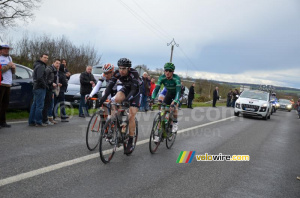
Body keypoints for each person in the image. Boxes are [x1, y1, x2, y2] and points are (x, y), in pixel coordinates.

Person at [98, 58, 142, 154]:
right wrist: (103, 99)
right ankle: (117, 121)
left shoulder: (134, 73)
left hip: (135, 92)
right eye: (120, 68)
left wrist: (126, 100)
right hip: (126, 88)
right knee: (115, 100)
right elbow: (109, 87)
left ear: (128, 68)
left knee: (131, 116)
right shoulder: (117, 73)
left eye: (123, 69)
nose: (121, 71)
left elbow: (133, 90)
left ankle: (130, 141)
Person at [151, 62, 181, 135]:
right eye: (166, 70)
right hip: (169, 93)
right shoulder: (162, 77)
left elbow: (178, 92)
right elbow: (157, 89)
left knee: (174, 108)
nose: (167, 72)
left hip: (177, 94)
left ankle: (175, 123)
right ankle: (159, 131)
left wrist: (175, 101)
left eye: (170, 71)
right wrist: (152, 98)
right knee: (163, 109)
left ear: (172, 72)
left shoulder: (176, 78)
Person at [28, 54, 49, 127]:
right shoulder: (41, 66)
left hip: (36, 87)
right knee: (39, 106)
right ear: (40, 58)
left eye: (47, 58)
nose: (46, 59)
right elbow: (40, 78)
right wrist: (45, 86)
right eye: (44, 57)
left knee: (34, 105)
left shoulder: (37, 65)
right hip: (40, 88)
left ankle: (31, 121)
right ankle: (39, 122)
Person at [0, 43, 16, 128]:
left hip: (8, 84)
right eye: (5, 49)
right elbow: (1, 70)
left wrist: (13, 68)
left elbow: (13, 72)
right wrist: (8, 66)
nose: (7, 50)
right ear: (1, 50)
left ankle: (3, 121)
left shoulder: (10, 58)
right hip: (1, 83)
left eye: (8, 49)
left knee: (5, 104)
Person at [43, 59, 60, 125]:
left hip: (52, 89)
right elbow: (45, 79)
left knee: (51, 104)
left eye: (59, 63)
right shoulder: (49, 69)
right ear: (53, 62)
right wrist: (51, 83)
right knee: (47, 104)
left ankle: (50, 118)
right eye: (57, 63)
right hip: (48, 89)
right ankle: (45, 119)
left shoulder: (56, 70)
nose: (58, 64)